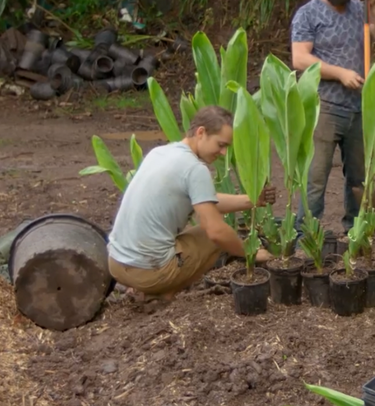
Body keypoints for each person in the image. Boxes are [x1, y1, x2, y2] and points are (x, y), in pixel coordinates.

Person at [107, 105, 275, 302]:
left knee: (210, 233)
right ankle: (163, 294)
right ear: (201, 132)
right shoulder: (195, 169)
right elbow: (216, 231)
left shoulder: (160, 153)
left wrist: (253, 200)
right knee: (216, 237)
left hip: (116, 264)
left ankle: (144, 289)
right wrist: (250, 252)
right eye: (220, 145)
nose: (222, 152)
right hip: (148, 272)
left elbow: (205, 200)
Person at [290, 0, 375, 231]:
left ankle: (355, 233)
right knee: (315, 178)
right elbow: (300, 58)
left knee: (359, 179)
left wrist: (374, 6)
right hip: (322, 106)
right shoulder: (308, 14)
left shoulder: (361, 10)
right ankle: (306, 237)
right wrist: (340, 73)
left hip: (361, 107)